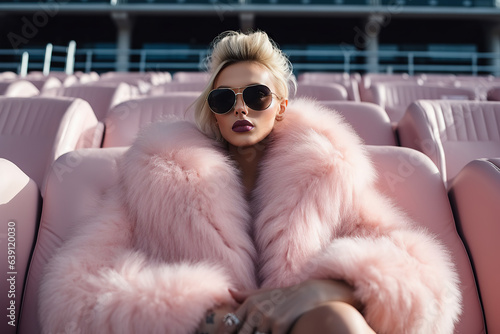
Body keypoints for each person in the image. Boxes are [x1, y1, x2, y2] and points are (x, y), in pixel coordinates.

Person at [39, 31, 461, 334]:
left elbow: (422, 276)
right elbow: (73, 291)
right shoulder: (155, 178)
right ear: (215, 112)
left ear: (280, 106)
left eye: (256, 96)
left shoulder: (329, 175)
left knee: (339, 321)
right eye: (225, 99)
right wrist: (199, 311)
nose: (241, 108)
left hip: (304, 327)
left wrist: (323, 290)